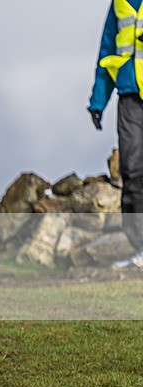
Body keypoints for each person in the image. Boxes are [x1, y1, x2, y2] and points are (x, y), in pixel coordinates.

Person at [89, 0, 143, 268]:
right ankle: (138, 247)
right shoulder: (120, 3)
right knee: (132, 170)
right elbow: (108, 48)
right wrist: (98, 101)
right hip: (130, 96)